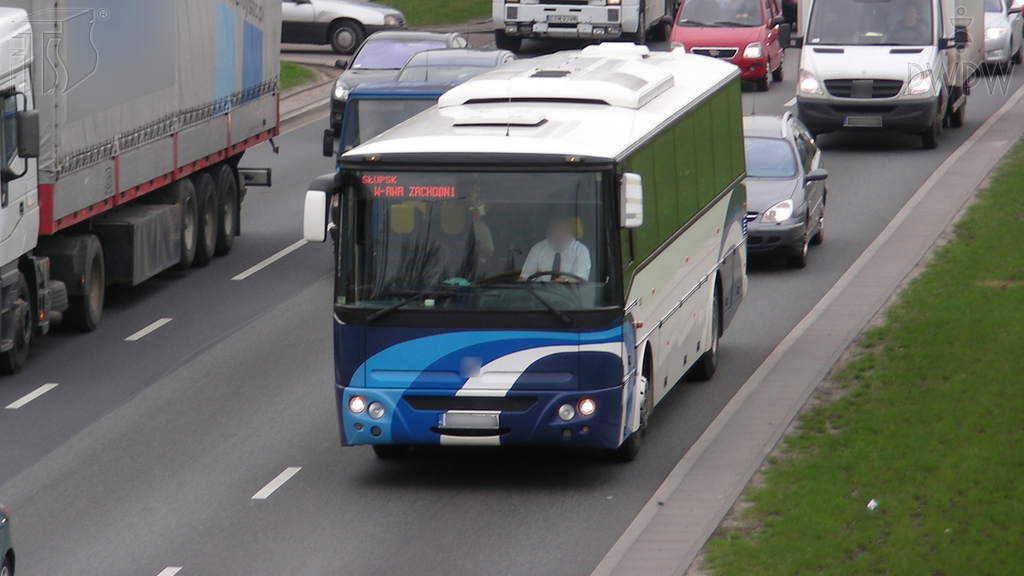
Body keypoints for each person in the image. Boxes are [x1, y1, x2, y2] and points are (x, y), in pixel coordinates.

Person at [519, 216, 591, 282]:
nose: (559, 236)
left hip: (569, 293)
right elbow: (524, 278)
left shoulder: (581, 251)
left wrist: (563, 281)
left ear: (570, 232)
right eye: (555, 232)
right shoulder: (537, 249)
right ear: (549, 233)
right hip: (539, 292)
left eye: (563, 232)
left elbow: (581, 280)